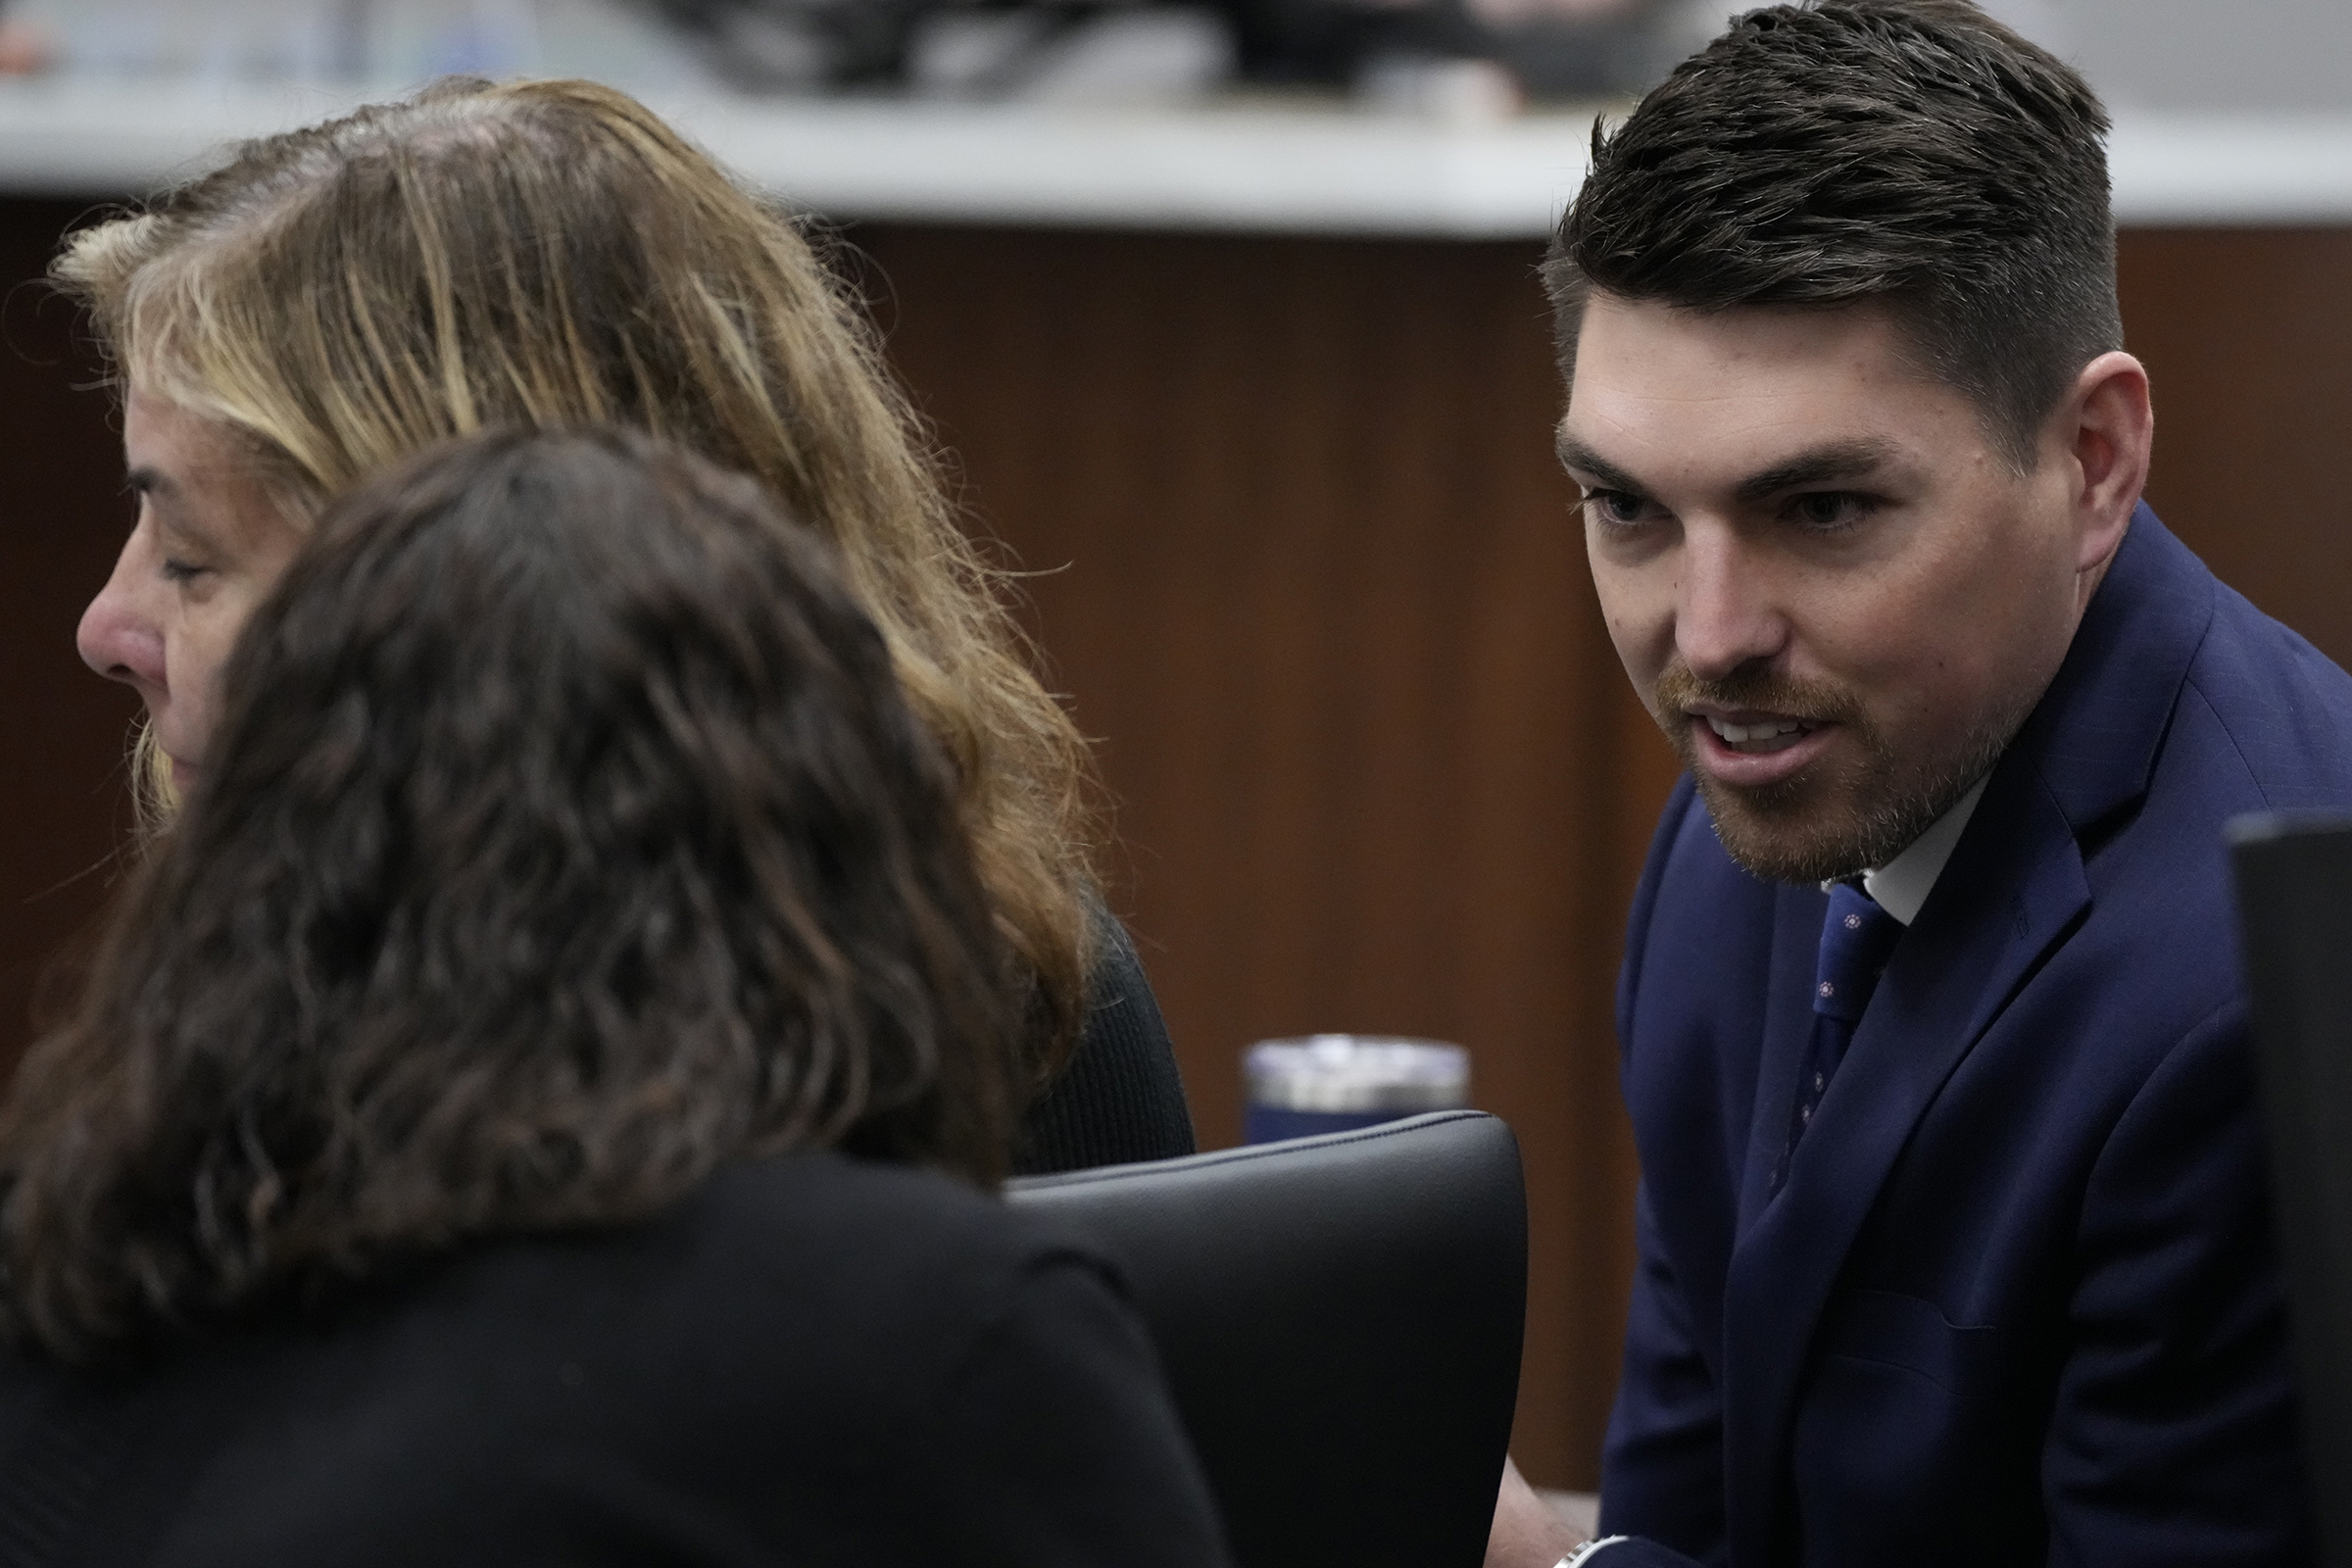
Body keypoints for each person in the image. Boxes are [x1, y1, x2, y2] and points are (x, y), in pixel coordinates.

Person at [0, 427, 1234, 1567]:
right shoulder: (943, 1328)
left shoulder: (69, 1259)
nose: (115, 623)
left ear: (279, 834)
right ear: (843, 828)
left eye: (192, 563)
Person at [1484, 2, 2348, 1563]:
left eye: (1821, 507)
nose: (1709, 639)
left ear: (2093, 460)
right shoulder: (1755, 809)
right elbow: (1700, 1507)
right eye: (1627, 509)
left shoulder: (2266, 995)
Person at [58, 75, 1189, 1176]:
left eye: (192, 558)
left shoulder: (984, 1050)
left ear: (487, 585)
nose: (106, 628)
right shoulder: (268, 991)